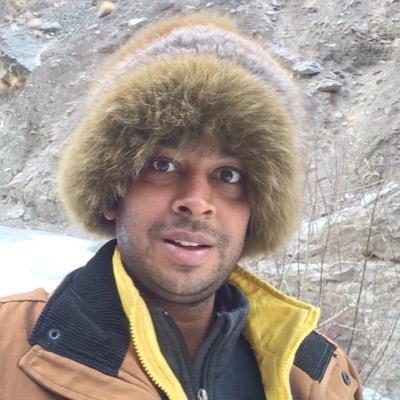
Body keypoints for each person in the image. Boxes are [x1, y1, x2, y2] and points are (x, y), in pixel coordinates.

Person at [0, 12, 363, 400]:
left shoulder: (323, 375)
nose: (196, 201)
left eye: (228, 175)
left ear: (256, 211)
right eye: (163, 165)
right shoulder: (9, 345)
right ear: (112, 192)